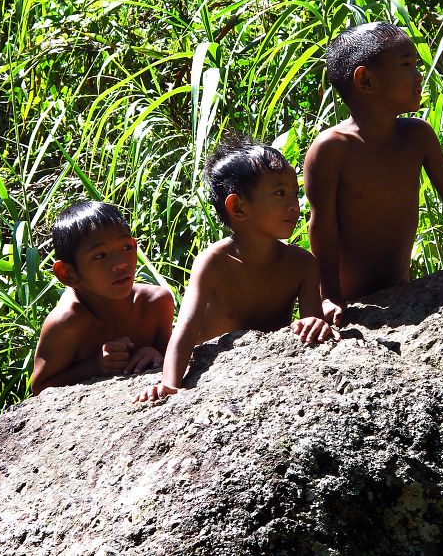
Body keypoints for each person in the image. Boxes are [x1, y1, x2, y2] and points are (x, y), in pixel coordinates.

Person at [304, 22, 443, 327]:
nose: (419, 75)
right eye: (407, 65)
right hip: (350, 298)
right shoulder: (332, 148)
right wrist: (330, 296)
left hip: (399, 289)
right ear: (365, 80)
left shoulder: (417, 136)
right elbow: (322, 225)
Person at [134, 135, 338, 403]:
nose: (294, 205)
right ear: (237, 206)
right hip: (215, 376)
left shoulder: (303, 264)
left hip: (268, 374)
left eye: (294, 193)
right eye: (280, 193)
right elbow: (185, 331)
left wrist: (314, 323)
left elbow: (312, 326)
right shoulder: (214, 262)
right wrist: (170, 384)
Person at [32, 200, 174, 395]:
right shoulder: (67, 323)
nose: (120, 264)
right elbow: (40, 388)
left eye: (126, 248)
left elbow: (172, 359)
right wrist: (94, 366)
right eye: (100, 256)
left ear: (135, 246)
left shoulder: (155, 303)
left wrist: (156, 354)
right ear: (67, 273)